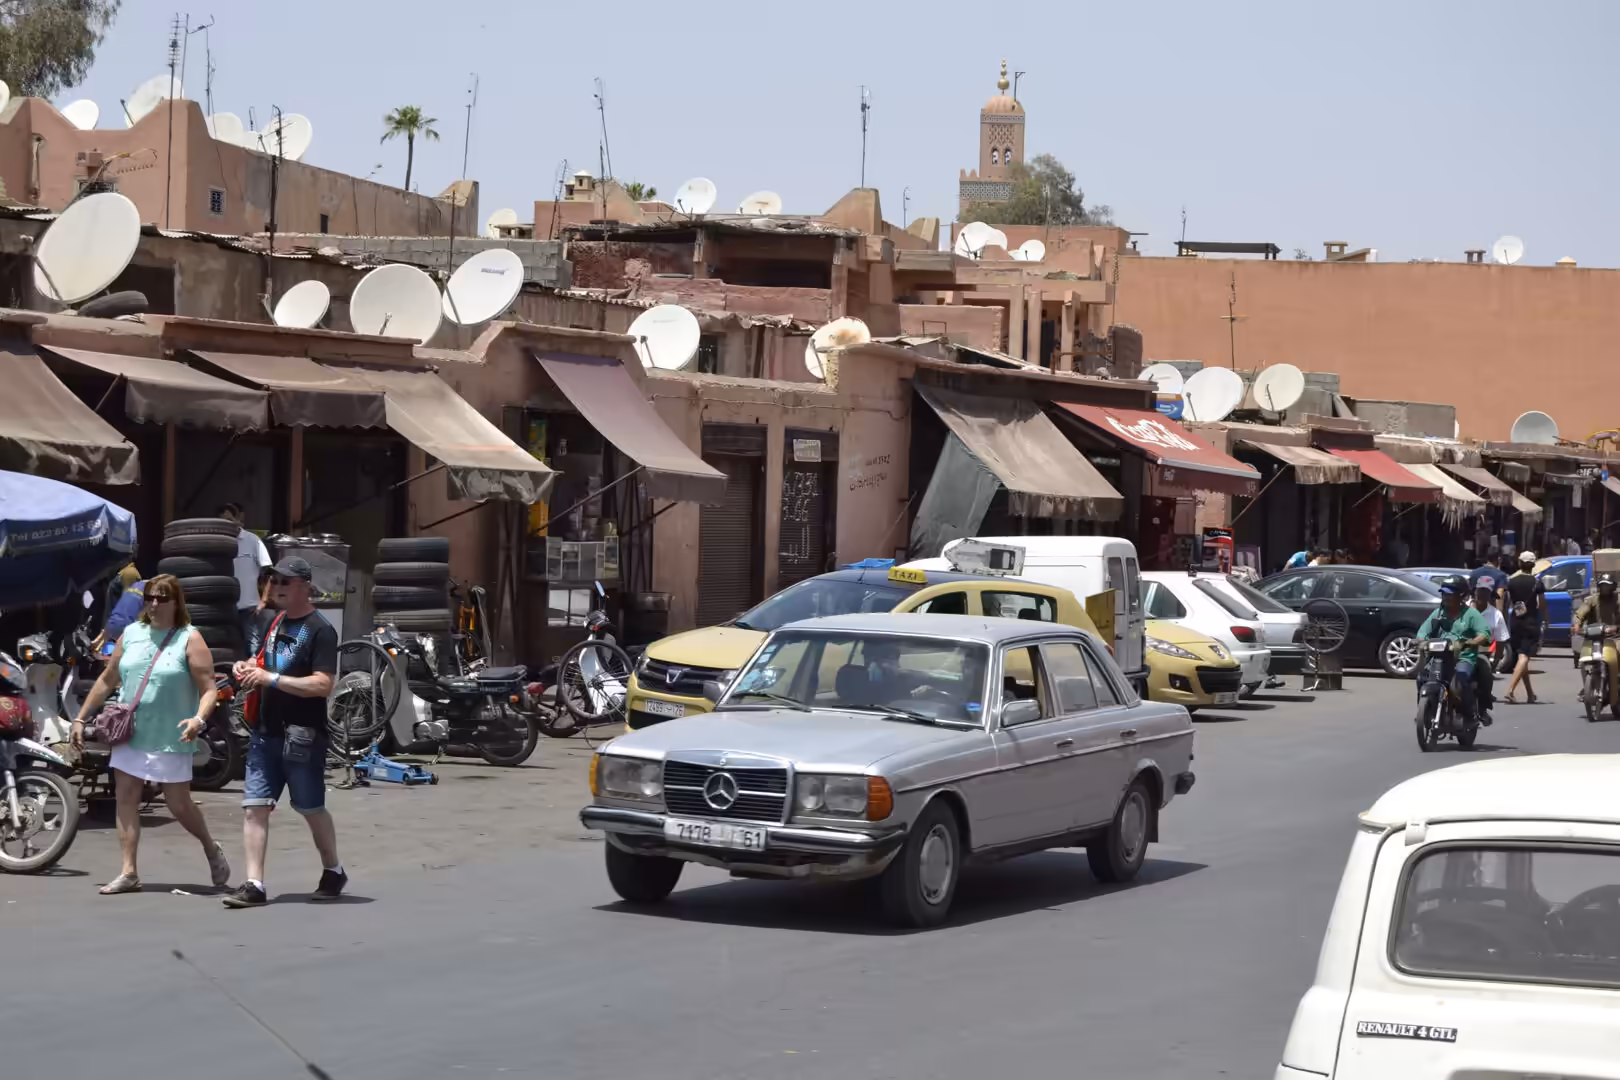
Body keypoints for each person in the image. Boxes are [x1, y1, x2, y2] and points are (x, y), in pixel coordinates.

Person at [70, 574, 231, 894]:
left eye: (162, 598)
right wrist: (79, 718)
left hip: (172, 735)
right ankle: (129, 871)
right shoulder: (131, 633)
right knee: (126, 797)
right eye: (150, 598)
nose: (154, 604)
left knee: (179, 804)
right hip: (130, 731)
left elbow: (209, 689)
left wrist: (198, 719)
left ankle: (211, 848)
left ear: (176, 603)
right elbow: (107, 680)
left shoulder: (189, 638)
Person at [223, 556, 341, 908]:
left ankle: (333, 870)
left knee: (310, 807)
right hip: (265, 731)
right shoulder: (272, 622)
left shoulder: (321, 630)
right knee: (254, 807)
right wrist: (245, 667)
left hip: (303, 735)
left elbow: (323, 684)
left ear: (305, 586)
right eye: (273, 581)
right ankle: (254, 884)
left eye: (285, 582)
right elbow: (262, 664)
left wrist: (272, 678)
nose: (276, 588)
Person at [1417, 575, 1492, 724]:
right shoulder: (1438, 613)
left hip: (1463, 657)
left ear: (1462, 596)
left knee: (1461, 679)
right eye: (1444, 594)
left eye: (1450, 594)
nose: (1446, 597)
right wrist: (1421, 642)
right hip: (1438, 658)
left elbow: (1484, 634)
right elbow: (1422, 633)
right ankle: (1425, 711)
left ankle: (1469, 715)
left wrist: (1468, 643)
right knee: (1422, 678)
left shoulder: (1471, 614)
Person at [219, 503, 272, 651]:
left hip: (248, 608)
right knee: (227, 648)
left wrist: (264, 600)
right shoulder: (217, 543)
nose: (226, 524)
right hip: (223, 609)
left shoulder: (252, 540)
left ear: (238, 520)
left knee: (253, 648)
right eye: (222, 521)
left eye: (229, 520)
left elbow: (268, 573)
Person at [1502, 550, 1548, 704]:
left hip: (1515, 622)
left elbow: (1503, 596)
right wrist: (1546, 619)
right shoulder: (1537, 583)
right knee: (1524, 656)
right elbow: (1542, 604)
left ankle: (1530, 693)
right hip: (1530, 622)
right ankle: (1510, 690)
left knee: (1522, 657)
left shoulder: (1511, 581)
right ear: (1533, 565)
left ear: (1519, 563)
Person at [1572, 572, 1620, 708]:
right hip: (1595, 637)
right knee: (1584, 658)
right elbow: (1580, 613)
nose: (1605, 589)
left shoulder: (1618, 600)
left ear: (1613, 587)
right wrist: (1576, 625)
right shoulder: (1592, 600)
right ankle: (1589, 686)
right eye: (1603, 586)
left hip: (1615, 638)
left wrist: (1616, 627)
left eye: (1608, 586)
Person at [1470, 579, 1509, 692]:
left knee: (1484, 683)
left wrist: (1495, 662)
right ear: (1475, 591)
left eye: (1485, 592)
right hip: (1460, 651)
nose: (1481, 594)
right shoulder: (1463, 609)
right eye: (1480, 590)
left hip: (1482, 654)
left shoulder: (1496, 615)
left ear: (1490, 595)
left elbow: (1501, 640)